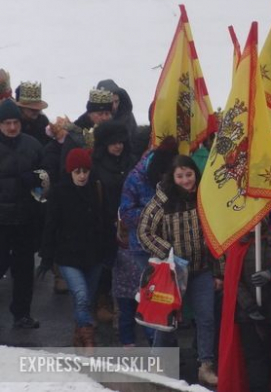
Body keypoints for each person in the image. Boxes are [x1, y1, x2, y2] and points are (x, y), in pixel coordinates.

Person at [138, 155, 220, 386]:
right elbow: (144, 231)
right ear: (172, 178)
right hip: (172, 272)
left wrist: (219, 272)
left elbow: (216, 234)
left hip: (201, 269)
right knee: (166, 320)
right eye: (180, 176)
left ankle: (205, 365)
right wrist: (168, 252)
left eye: (189, 174)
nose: (186, 180)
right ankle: (158, 366)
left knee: (206, 318)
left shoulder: (205, 198)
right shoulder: (162, 200)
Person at [38, 148, 107, 349]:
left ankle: (79, 335)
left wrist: (108, 250)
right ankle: (88, 339)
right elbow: (51, 225)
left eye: (85, 171)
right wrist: (46, 257)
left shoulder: (97, 188)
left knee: (85, 299)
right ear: (70, 172)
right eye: (77, 171)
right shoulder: (59, 192)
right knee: (81, 294)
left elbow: (104, 220)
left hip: (94, 255)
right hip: (68, 256)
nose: (82, 176)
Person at [115, 137, 177, 347]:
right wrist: (154, 215)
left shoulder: (173, 172)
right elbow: (126, 213)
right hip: (142, 247)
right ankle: (154, 342)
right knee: (153, 296)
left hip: (169, 247)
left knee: (167, 296)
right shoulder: (135, 179)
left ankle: (164, 342)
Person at [0, 98, 44, 329]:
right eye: (6, 122)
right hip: (1, 222)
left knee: (25, 272)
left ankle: (22, 314)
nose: (11, 127)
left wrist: (37, 179)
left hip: (25, 219)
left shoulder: (33, 145)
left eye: (15, 122)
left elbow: (46, 181)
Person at [91, 120, 137, 322]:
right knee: (106, 265)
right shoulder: (96, 165)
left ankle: (131, 306)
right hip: (105, 221)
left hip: (129, 221)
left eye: (121, 141)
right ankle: (103, 300)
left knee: (131, 266)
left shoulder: (131, 160)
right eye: (113, 142)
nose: (118, 146)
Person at [234, 221, 271, 392]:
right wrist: (249, 306)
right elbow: (234, 280)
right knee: (254, 357)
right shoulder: (237, 242)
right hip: (247, 313)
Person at [15, 81, 50, 146]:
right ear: (21, 108)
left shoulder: (43, 121)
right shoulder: (12, 122)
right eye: (32, 109)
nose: (36, 111)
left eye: (38, 109)